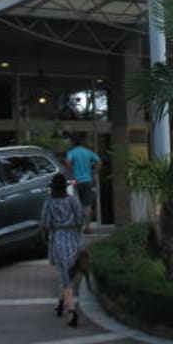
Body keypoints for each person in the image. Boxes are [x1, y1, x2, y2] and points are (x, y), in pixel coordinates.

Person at [40, 172, 84, 326]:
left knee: (64, 276)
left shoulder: (49, 202)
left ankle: (71, 311)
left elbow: (45, 223)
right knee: (70, 274)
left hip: (58, 239)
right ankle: (60, 303)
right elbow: (80, 218)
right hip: (74, 238)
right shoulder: (73, 201)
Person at [65, 132, 100, 227]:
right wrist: (94, 172)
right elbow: (99, 161)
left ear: (73, 143)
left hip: (76, 181)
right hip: (87, 180)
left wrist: (72, 170)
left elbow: (68, 162)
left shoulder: (72, 152)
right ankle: (88, 226)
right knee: (87, 205)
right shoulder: (87, 152)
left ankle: (78, 224)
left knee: (76, 203)